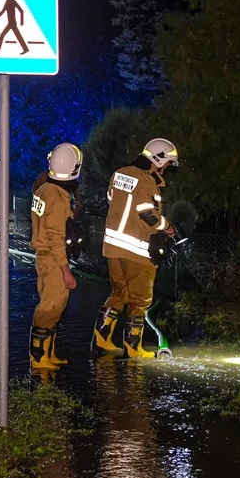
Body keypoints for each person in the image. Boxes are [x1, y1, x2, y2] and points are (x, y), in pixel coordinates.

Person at [92, 138, 179, 358]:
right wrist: (168, 228)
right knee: (140, 299)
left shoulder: (119, 173)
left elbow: (113, 200)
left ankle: (101, 340)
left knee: (119, 293)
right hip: (137, 251)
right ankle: (133, 348)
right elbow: (147, 213)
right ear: (158, 160)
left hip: (112, 248)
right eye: (167, 163)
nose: (167, 169)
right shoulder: (146, 180)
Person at [29, 143, 82, 369]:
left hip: (43, 257)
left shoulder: (43, 190)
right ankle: (39, 358)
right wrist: (66, 271)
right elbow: (55, 238)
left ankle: (47, 354)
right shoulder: (58, 198)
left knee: (52, 307)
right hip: (53, 259)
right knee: (51, 307)